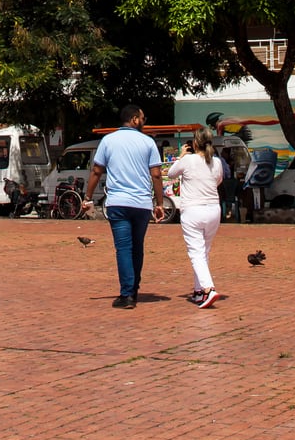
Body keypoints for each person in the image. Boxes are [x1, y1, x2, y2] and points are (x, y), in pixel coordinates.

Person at [84, 104, 164, 309]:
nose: (144, 121)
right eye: (143, 118)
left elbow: (96, 171)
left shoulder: (108, 141)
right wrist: (160, 203)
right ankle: (133, 287)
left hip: (118, 203)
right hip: (142, 204)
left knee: (123, 248)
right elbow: (156, 174)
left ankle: (127, 294)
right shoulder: (148, 142)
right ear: (135, 119)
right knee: (137, 247)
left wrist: (88, 197)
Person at [167, 128, 227, 307]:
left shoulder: (188, 160)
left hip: (193, 210)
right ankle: (199, 291)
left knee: (196, 253)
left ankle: (209, 289)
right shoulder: (216, 162)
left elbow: (170, 174)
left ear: (195, 143)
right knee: (203, 252)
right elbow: (218, 181)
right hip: (213, 210)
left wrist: (181, 156)